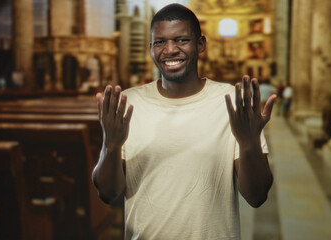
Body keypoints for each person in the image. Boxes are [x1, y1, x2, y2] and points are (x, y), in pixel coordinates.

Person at [92, 4, 276, 239]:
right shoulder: (128, 103)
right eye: (159, 42)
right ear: (150, 48)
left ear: (200, 44)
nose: (170, 50)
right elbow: (108, 193)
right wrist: (111, 144)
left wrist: (249, 143)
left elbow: (257, 196)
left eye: (181, 40)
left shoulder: (231, 102)